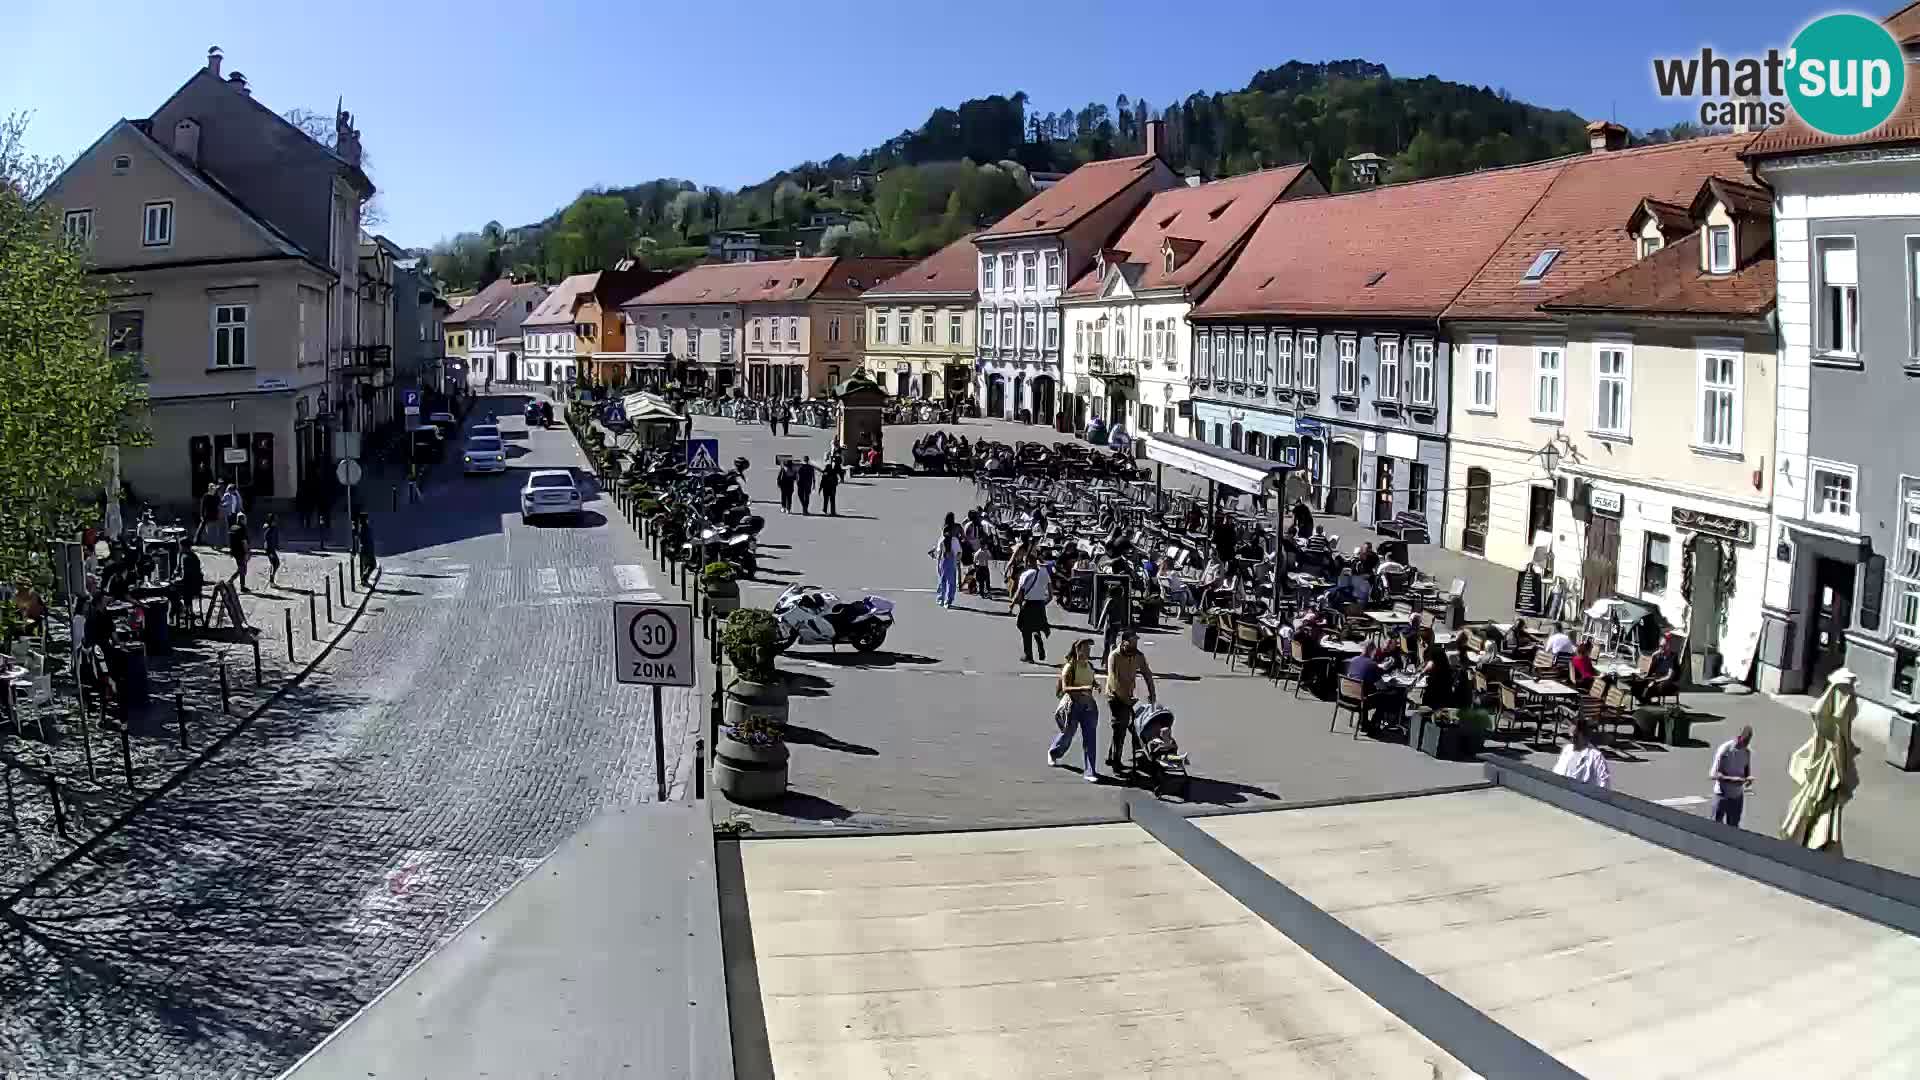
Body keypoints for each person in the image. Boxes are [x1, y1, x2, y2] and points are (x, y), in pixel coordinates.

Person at [1046, 639, 1101, 782]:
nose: (1089, 652)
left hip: (1088, 706)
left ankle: (1090, 771)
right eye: (1086, 649)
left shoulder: (1089, 665)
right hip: (1073, 706)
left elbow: (1090, 679)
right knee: (1068, 734)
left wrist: (1096, 684)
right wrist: (1082, 689)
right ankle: (1054, 752)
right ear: (1078, 650)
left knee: (1090, 738)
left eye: (1089, 649)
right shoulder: (1070, 667)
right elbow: (1065, 688)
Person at [1104, 630, 1156, 770]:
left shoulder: (1138, 656)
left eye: (1136, 642)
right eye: (1132, 642)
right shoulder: (1114, 656)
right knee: (1121, 727)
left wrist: (1152, 693)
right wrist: (1126, 700)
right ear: (1124, 642)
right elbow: (1114, 681)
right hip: (1115, 696)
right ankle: (1116, 761)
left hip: (1128, 696)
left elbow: (1147, 674)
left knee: (1132, 727)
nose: (1135, 645)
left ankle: (1115, 756)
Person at [1708, 726, 1754, 827]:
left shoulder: (1747, 752)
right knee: (1715, 826)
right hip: (1722, 795)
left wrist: (1748, 778)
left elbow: (1746, 772)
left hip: (1737, 797)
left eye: (1749, 741)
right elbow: (1714, 775)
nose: (1747, 743)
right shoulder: (1725, 749)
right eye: (1745, 740)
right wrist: (1733, 780)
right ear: (1740, 737)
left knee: (1733, 828)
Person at [1011, 557, 1053, 663]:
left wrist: (1012, 604)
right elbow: (1051, 595)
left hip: (1028, 604)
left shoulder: (1025, 575)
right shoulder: (1045, 574)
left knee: (1024, 628)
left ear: (1027, 563)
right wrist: (1043, 603)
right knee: (1035, 624)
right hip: (1040, 604)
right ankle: (1037, 634)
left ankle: (1028, 655)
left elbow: (1019, 594)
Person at [1552, 717, 1611, 789]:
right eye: (1570, 737)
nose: (1572, 740)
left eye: (1575, 737)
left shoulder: (1596, 757)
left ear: (1584, 736)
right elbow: (1557, 772)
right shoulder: (1567, 749)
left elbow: (1604, 784)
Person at [1636, 634, 1681, 703]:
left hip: (1668, 681)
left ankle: (1649, 702)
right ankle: (1646, 701)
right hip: (1657, 678)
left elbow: (1668, 676)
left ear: (1668, 645)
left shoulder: (1672, 657)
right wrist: (1644, 676)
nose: (1661, 648)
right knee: (1639, 683)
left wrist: (1655, 681)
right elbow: (1650, 670)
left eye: (1663, 646)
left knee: (1655, 686)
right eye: (1660, 646)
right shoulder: (1658, 656)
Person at [932, 519, 961, 609]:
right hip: (946, 562)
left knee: (946, 581)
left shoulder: (949, 540)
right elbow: (939, 552)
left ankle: (945, 599)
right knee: (946, 581)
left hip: (947, 562)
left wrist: (956, 560)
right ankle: (945, 599)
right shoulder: (948, 540)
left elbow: (938, 553)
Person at [225, 507, 251, 594]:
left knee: (241, 568)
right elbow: (244, 542)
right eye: (245, 519)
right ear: (242, 520)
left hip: (235, 552)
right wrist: (247, 552)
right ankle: (231, 582)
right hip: (241, 552)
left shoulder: (232, 527)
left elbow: (230, 541)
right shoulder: (242, 529)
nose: (246, 520)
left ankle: (240, 585)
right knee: (242, 569)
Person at [353, 512, 376, 587]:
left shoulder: (362, 527)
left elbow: (360, 537)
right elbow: (364, 538)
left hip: (365, 549)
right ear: (365, 519)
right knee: (372, 565)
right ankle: (364, 579)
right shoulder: (364, 527)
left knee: (367, 565)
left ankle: (364, 580)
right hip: (367, 550)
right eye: (367, 518)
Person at [262, 513, 282, 590]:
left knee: (274, 564)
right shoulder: (269, 528)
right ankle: (271, 582)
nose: (276, 521)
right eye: (274, 520)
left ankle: (272, 581)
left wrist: (277, 546)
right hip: (269, 549)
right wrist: (269, 550)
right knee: (276, 563)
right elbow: (266, 538)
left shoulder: (273, 527)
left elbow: (275, 537)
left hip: (271, 548)